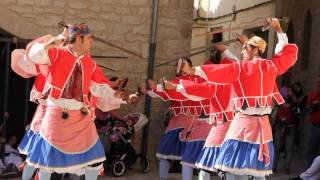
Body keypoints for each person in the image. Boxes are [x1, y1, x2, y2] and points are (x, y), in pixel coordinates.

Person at [177, 18, 298, 179]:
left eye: (245, 48)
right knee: (256, 171)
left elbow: (219, 72)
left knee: (234, 167)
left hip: (243, 124)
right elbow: (285, 54)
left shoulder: (240, 67)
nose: (241, 52)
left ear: (255, 51)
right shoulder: (271, 66)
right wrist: (278, 29)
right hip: (262, 125)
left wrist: (194, 70)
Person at [23, 23, 127, 180]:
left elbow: (99, 87)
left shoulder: (89, 63)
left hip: (81, 118)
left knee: (94, 160)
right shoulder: (57, 53)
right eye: (89, 38)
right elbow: (34, 55)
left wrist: (119, 96)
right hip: (56, 116)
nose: (92, 42)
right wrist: (56, 40)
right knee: (46, 163)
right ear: (79, 38)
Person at [305, 80, 320, 166]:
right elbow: (308, 108)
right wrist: (313, 105)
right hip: (315, 127)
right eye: (318, 86)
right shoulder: (313, 95)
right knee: (312, 150)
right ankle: (310, 171)